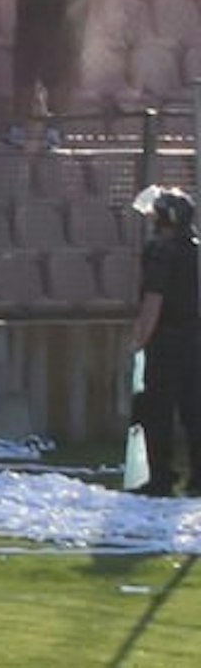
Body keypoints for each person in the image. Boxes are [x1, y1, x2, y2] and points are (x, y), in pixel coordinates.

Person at [135, 185, 201, 499]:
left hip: (167, 341)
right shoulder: (195, 248)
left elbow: (153, 301)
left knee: (157, 411)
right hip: (195, 339)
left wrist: (138, 340)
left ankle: (161, 477)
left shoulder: (162, 252)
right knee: (194, 411)